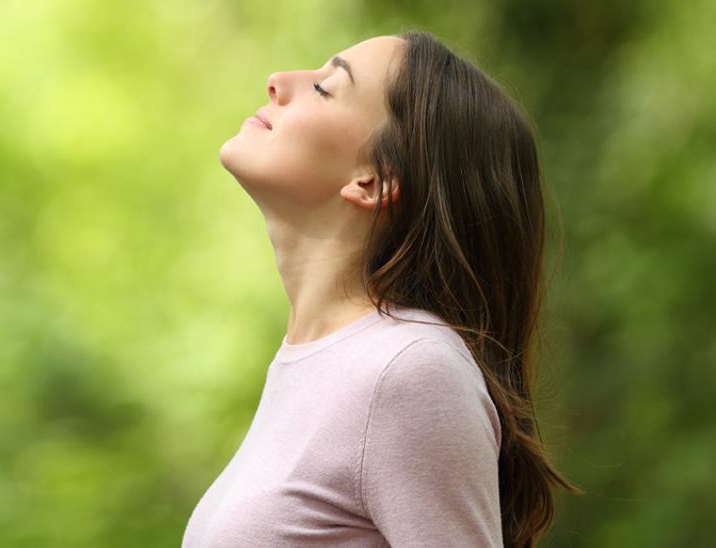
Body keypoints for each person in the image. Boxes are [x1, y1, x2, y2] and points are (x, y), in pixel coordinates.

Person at [181, 31, 583, 548]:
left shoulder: (409, 370)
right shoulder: (322, 364)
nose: (278, 82)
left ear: (374, 181)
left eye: (325, 88)